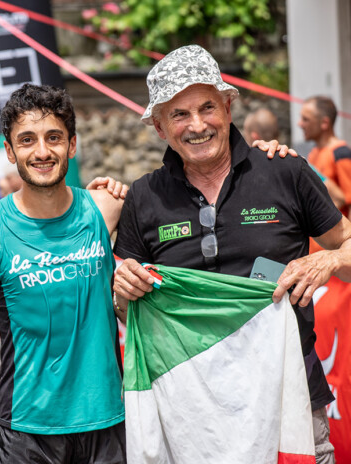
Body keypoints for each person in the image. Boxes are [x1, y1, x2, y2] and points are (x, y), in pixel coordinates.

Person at [113, 44, 351, 463]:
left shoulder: (284, 171)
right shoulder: (144, 197)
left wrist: (329, 259)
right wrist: (123, 289)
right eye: (179, 114)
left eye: (207, 107)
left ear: (227, 107)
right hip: (191, 417)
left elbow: (346, 244)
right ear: (160, 127)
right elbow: (123, 308)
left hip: (289, 401)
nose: (197, 125)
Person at [0, 83, 130, 464]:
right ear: (9, 151)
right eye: (27, 140)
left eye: (54, 137)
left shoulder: (107, 207)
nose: (42, 152)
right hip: (28, 429)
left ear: (72, 144)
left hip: (106, 419)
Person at [244, 107, 345, 210]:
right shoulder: (296, 163)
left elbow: (339, 198)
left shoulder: (297, 164)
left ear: (254, 137)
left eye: (245, 134)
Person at [299, 96, 351, 217]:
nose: (300, 124)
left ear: (324, 123)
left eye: (305, 119)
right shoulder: (314, 152)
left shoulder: (341, 153)